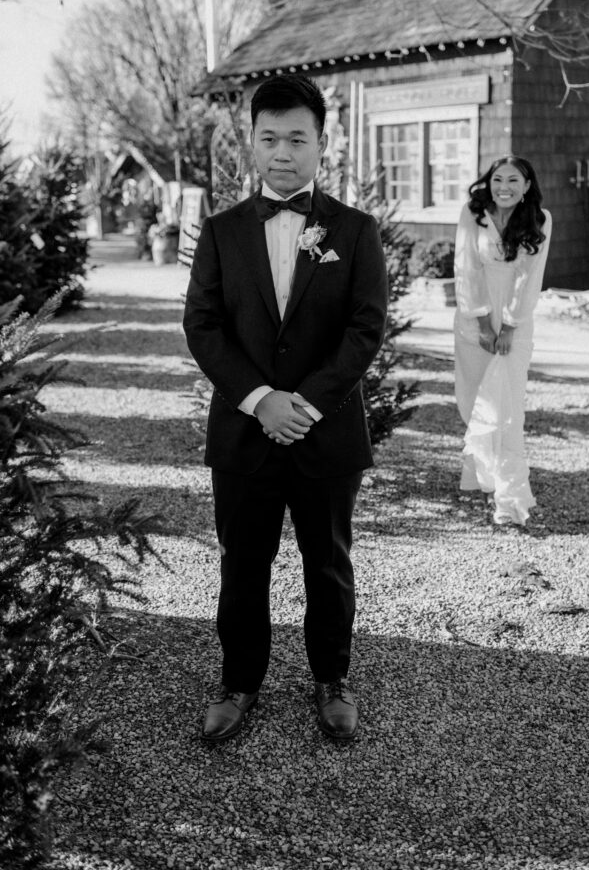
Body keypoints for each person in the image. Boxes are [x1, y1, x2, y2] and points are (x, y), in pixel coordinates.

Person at [183, 73, 388, 744]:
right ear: (250, 142)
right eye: (269, 138)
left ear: (321, 144)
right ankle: (239, 682)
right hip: (244, 430)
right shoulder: (220, 232)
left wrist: (305, 403)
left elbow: (365, 328)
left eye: (297, 138)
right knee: (242, 561)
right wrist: (260, 399)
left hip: (326, 433)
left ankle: (332, 679)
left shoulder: (354, 232)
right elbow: (203, 325)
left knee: (327, 559)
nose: (283, 152)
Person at [453, 155, 552, 526]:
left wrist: (509, 326)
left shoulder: (541, 220)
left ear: (527, 186)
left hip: (516, 319)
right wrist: (481, 323)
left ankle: (508, 498)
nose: (504, 187)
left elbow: (531, 276)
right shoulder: (472, 212)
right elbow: (465, 266)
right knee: (473, 401)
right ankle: (480, 476)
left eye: (513, 180)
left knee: (508, 407)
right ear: (488, 182)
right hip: (472, 317)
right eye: (498, 179)